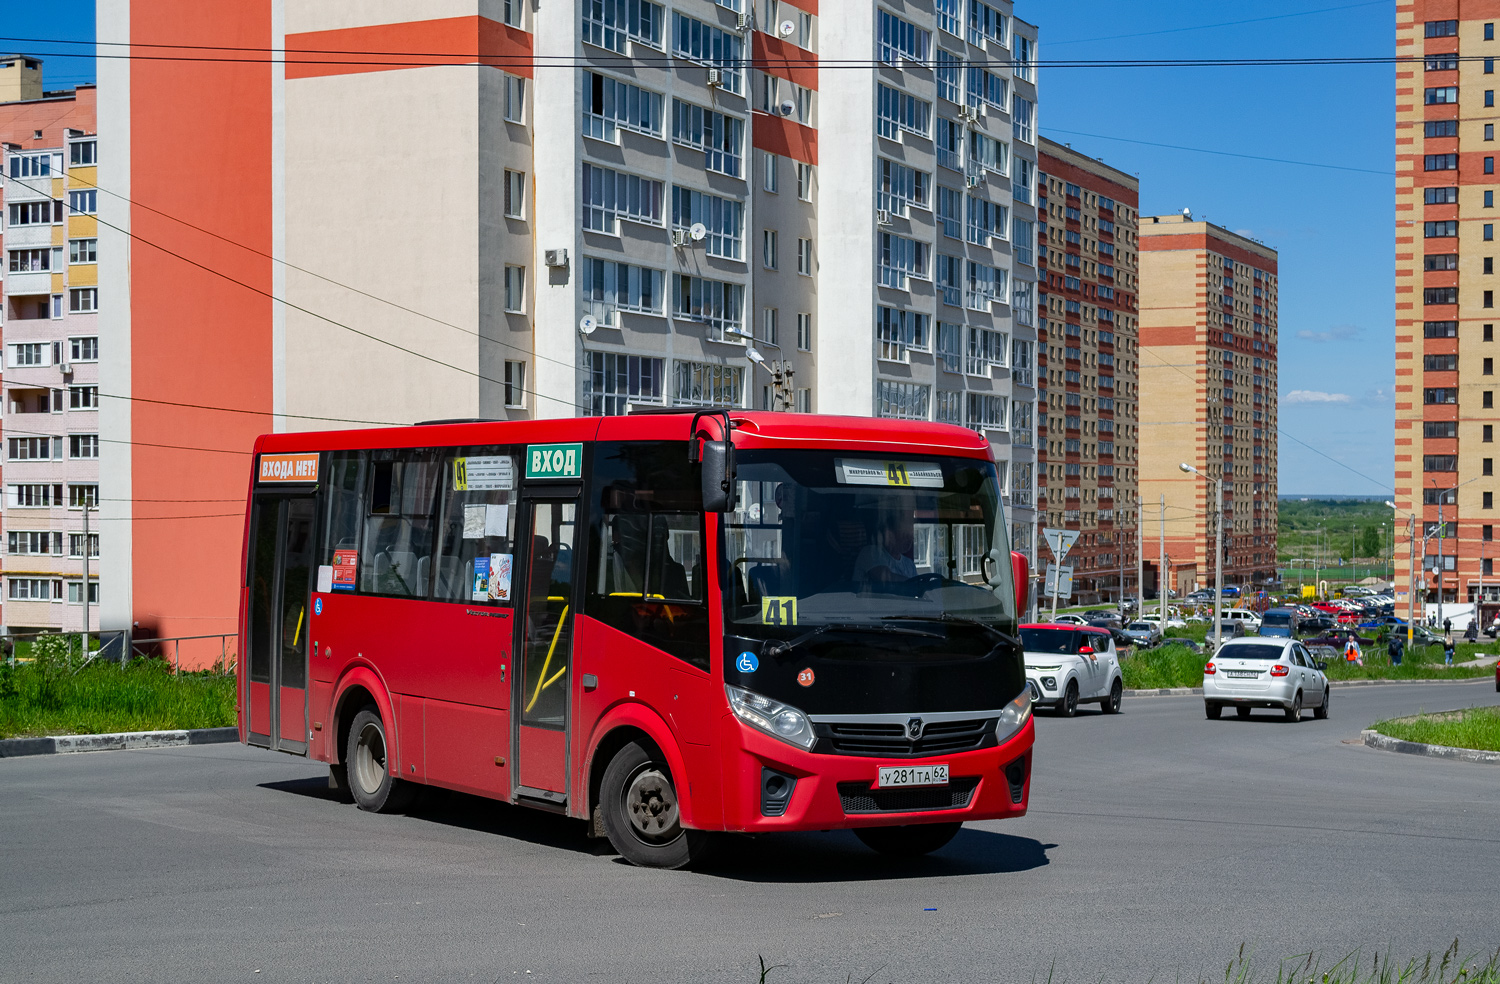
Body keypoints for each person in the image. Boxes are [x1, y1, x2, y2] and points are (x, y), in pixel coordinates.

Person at [853, 509, 918, 583]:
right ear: (889, 535)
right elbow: (885, 578)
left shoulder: (909, 564)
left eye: (911, 536)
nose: (910, 540)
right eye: (905, 535)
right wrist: (914, 583)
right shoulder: (870, 553)